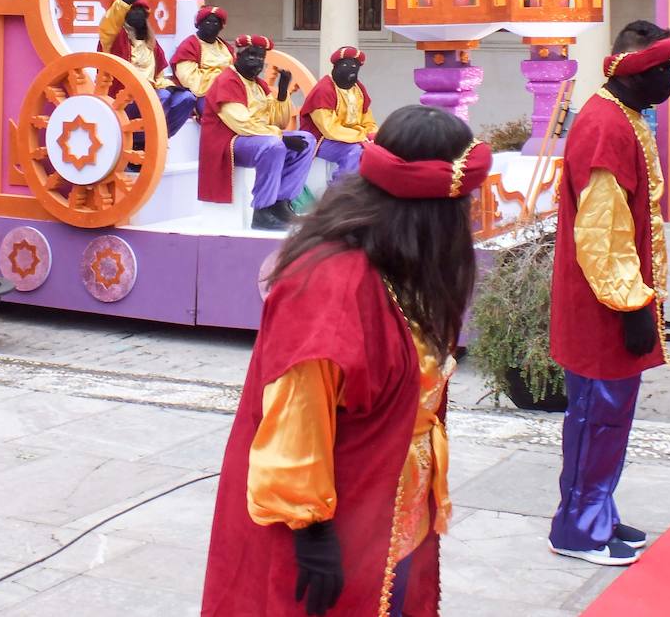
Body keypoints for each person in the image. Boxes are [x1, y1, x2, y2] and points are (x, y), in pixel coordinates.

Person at [202, 106, 491, 617]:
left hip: (391, 503)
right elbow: (297, 420)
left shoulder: (398, 263)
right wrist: (313, 534)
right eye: (464, 203)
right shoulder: (333, 284)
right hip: (337, 518)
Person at [548, 20, 670, 567]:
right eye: (663, 70)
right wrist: (630, 302)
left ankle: (594, 507)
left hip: (612, 294)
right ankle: (579, 528)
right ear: (634, 73)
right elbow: (601, 229)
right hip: (603, 301)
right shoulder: (606, 124)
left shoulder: (623, 116)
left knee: (608, 417)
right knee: (596, 415)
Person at [199, 34, 316, 230]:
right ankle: (263, 210)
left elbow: (279, 121)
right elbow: (241, 124)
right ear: (238, 55)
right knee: (273, 146)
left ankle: (280, 203)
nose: (257, 60)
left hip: (255, 139)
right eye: (252, 55)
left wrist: (282, 91)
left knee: (307, 141)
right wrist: (279, 137)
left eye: (261, 57)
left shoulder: (259, 85)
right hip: (228, 143)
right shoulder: (227, 81)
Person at [97, 0, 198, 140]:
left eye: (141, 12)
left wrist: (170, 86)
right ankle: (142, 139)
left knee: (187, 98)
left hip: (150, 93)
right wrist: (123, 3)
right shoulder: (114, 37)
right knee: (162, 97)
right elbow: (109, 23)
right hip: (123, 98)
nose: (137, 14)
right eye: (132, 10)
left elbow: (158, 76)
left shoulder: (151, 43)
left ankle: (157, 138)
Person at [300, 47, 377, 182]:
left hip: (354, 137)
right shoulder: (324, 90)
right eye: (345, 65)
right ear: (335, 66)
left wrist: (373, 135)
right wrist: (361, 137)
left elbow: (368, 120)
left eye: (355, 66)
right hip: (322, 140)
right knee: (355, 152)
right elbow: (329, 129)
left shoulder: (358, 89)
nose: (350, 69)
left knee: (378, 150)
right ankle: (339, 193)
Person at [173, 5, 236, 106]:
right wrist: (219, 81)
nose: (211, 25)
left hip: (229, 91)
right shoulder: (189, 45)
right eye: (207, 22)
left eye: (216, 22)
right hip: (203, 94)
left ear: (221, 27)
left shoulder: (225, 47)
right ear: (199, 24)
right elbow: (188, 79)